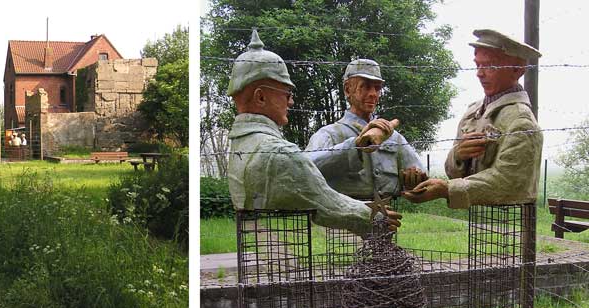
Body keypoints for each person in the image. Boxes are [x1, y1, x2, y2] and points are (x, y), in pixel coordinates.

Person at [227, 31, 401, 235]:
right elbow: (326, 202)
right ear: (261, 97)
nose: (291, 102)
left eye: (377, 88)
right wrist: (375, 217)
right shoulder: (278, 153)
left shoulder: (240, 147)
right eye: (287, 94)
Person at [404, 29, 542, 208]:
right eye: (478, 65)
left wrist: (446, 190)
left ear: (517, 70)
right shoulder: (473, 112)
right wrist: (459, 155)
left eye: (490, 66)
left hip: (512, 219)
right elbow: (452, 172)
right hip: (478, 219)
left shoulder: (521, 121)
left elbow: (510, 181)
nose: (479, 73)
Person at [306, 59, 427, 199]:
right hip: (343, 218)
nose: (373, 94)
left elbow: (422, 177)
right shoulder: (329, 134)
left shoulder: (393, 137)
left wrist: (414, 178)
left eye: (377, 88)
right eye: (365, 87)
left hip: (388, 218)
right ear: (347, 89)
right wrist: (352, 148)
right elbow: (305, 168)